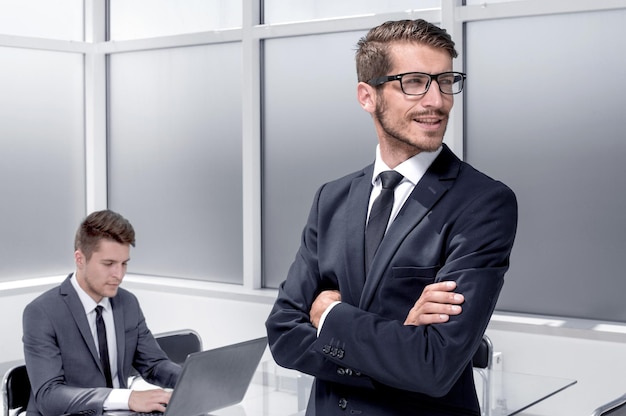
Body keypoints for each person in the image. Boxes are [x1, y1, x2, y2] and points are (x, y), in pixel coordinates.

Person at [265, 19, 518, 416]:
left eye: (445, 80)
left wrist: (330, 315)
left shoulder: (484, 203)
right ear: (368, 96)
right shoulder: (331, 198)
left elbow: (434, 366)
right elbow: (282, 333)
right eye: (415, 82)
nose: (437, 100)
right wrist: (398, 337)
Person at [22, 210, 181, 416]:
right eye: (108, 264)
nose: (119, 274)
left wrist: (192, 380)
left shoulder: (127, 303)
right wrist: (127, 398)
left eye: (124, 264)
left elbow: (154, 365)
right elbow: (48, 395)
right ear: (80, 259)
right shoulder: (42, 312)